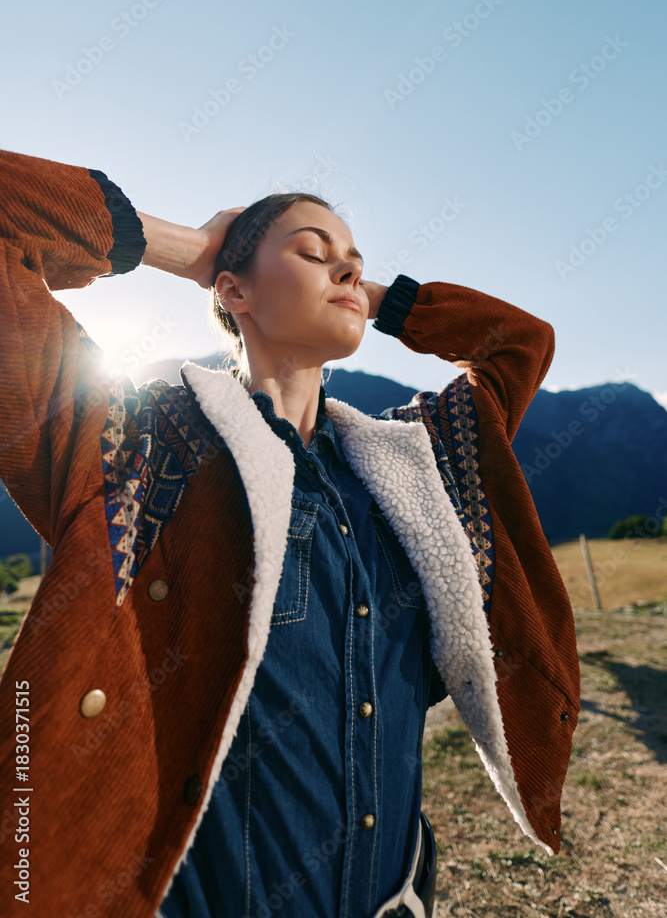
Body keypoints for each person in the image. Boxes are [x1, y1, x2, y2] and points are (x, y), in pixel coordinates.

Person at [0, 148, 580, 918]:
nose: (348, 269)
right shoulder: (137, 450)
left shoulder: (423, 464)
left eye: (356, 260)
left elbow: (519, 343)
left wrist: (370, 296)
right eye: (312, 251)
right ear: (233, 290)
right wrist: (184, 248)